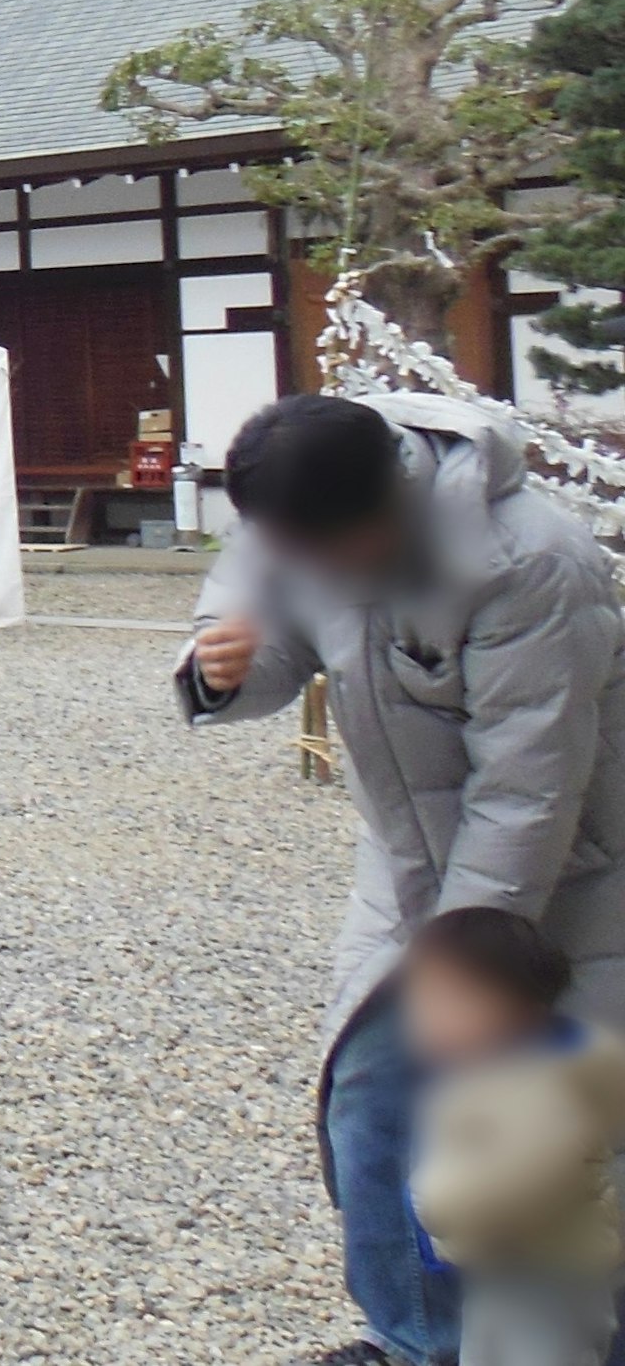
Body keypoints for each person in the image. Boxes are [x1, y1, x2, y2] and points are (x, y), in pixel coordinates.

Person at [177, 390, 625, 1366]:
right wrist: (224, 666)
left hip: (580, 883)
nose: (313, 571)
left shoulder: (530, 562)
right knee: (375, 1098)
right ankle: (417, 1338)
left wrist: (474, 971)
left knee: (544, 1143)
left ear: (392, 499)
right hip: (413, 871)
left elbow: (528, 792)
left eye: (331, 551)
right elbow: (263, 620)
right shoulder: (301, 517)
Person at [399, 907, 625, 1366]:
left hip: (551, 1275)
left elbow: (509, 1185)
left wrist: (425, 1199)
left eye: (450, 1001)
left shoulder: (551, 1089)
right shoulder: (486, 1075)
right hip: (503, 1266)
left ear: (520, 1012)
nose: (426, 1018)